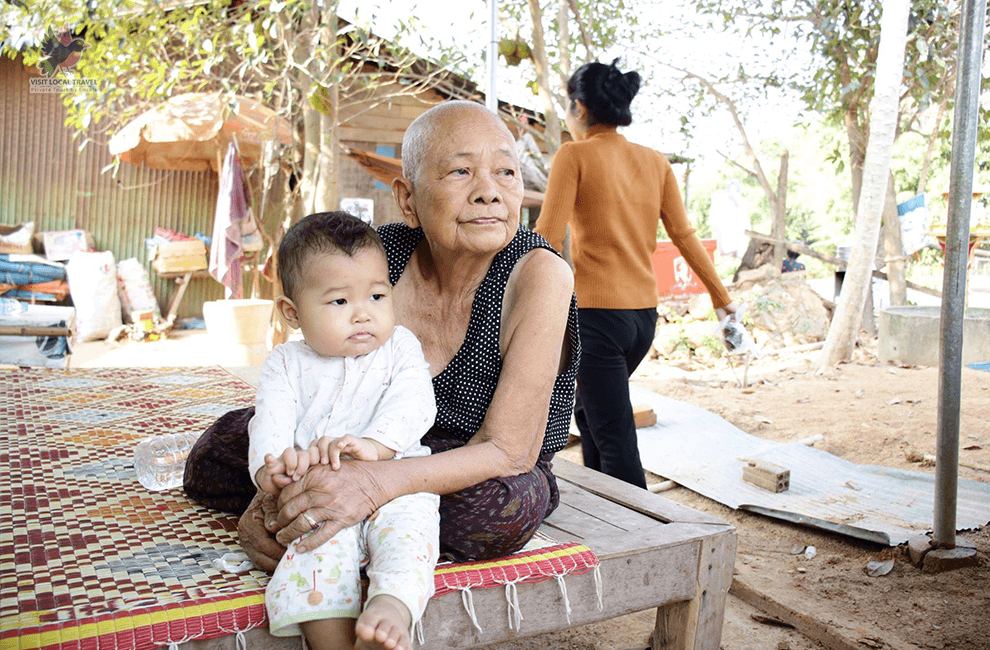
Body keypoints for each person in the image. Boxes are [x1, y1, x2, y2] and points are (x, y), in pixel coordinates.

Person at [183, 100, 580, 642]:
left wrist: (369, 485)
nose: (489, 191)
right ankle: (337, 517)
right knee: (221, 446)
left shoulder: (539, 273)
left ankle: (346, 528)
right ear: (408, 198)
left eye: (506, 172)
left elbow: (509, 451)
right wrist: (272, 496)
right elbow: (312, 368)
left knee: (495, 512)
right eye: (460, 171)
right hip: (347, 440)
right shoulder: (382, 253)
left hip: (474, 463)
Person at [534, 59, 737, 490]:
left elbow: (545, 238)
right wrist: (722, 299)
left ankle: (644, 523)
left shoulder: (574, 156)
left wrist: (499, 285)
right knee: (590, 413)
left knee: (615, 438)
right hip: (643, 322)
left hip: (596, 321)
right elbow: (684, 235)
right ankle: (603, 504)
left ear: (579, 107)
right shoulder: (655, 162)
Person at [249, 212, 439, 650]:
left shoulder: (400, 347)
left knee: (408, 540)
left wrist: (375, 445)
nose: (363, 314)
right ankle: (332, 642)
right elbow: (270, 421)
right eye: (339, 302)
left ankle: (390, 610)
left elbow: (414, 404)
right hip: (319, 490)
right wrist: (272, 468)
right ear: (292, 313)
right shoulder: (285, 363)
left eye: (377, 295)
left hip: (396, 483)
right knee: (311, 553)